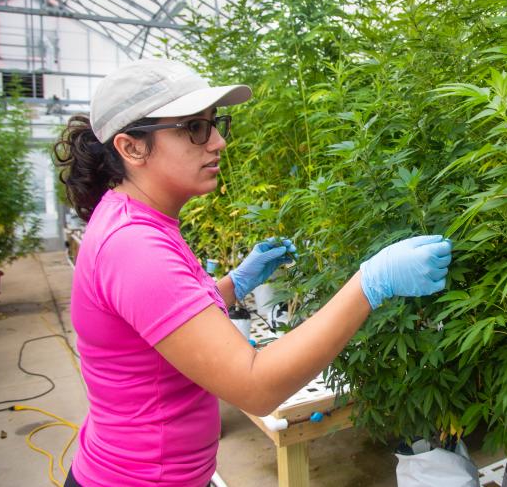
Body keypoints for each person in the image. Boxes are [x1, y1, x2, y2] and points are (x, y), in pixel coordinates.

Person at [53, 58, 452, 487]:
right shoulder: (134, 246)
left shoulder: (136, 221)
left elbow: (164, 322)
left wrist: (236, 283)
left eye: (214, 123)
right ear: (131, 148)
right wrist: (370, 284)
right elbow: (255, 386)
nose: (219, 141)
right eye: (194, 128)